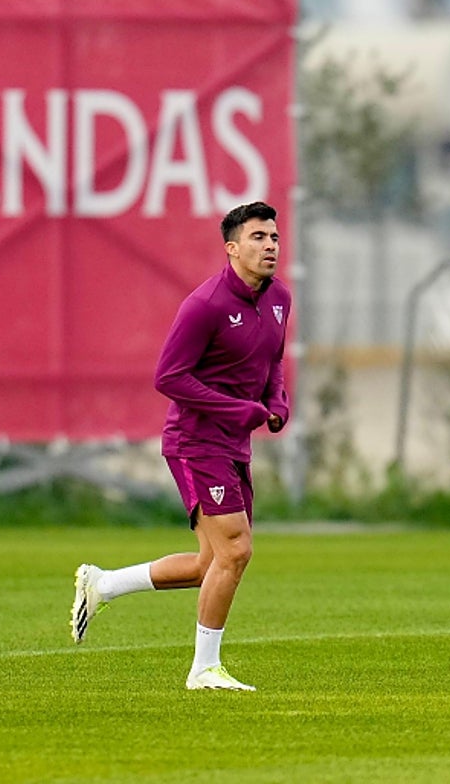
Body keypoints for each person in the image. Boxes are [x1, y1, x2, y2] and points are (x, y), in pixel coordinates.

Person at [69, 200, 290, 692]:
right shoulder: (205, 304)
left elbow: (273, 363)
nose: (270, 246)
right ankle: (204, 669)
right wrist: (240, 411)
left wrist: (277, 401)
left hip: (234, 445)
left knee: (210, 565)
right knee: (236, 550)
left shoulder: (279, 300)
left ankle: (102, 584)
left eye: (273, 237)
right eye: (258, 238)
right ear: (232, 249)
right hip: (195, 443)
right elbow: (168, 377)